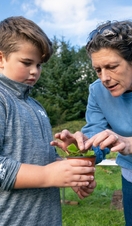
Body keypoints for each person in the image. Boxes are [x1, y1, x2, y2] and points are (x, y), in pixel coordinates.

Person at [0, 16, 96, 226]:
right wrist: (46, 175)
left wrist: (71, 174)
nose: (35, 71)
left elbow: (44, 162)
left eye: (39, 65)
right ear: (1, 59)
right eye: (27, 63)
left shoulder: (37, 107)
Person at [51, 20, 132, 226]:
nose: (104, 78)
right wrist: (81, 147)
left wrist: (128, 142)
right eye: (97, 69)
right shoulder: (97, 91)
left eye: (112, 67)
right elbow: (96, 135)